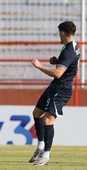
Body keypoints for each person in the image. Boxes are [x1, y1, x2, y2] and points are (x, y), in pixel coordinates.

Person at [29, 21, 80, 166]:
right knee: (37, 113)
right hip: (55, 86)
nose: (59, 35)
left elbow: (58, 74)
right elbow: (70, 66)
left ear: (63, 33)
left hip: (61, 89)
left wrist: (39, 66)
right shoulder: (71, 47)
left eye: (59, 32)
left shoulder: (69, 50)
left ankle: (45, 156)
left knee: (48, 120)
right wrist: (58, 61)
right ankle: (40, 147)